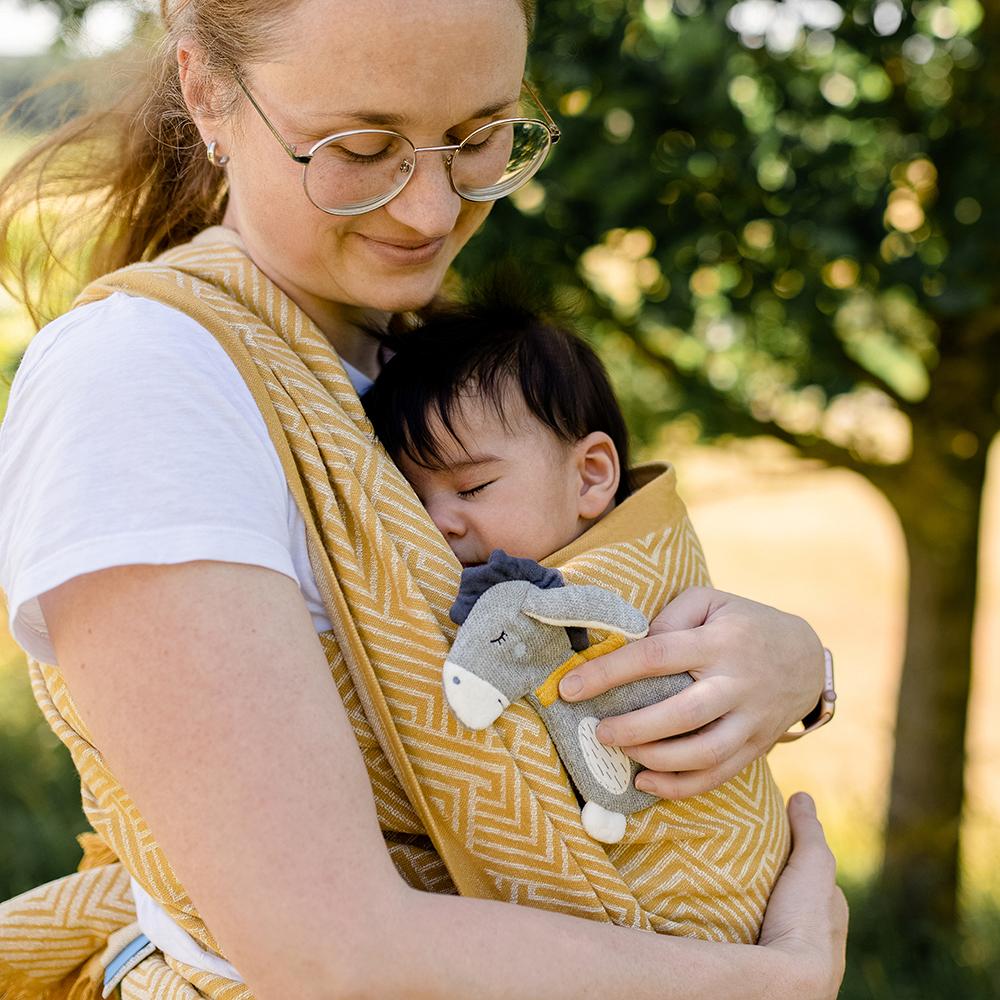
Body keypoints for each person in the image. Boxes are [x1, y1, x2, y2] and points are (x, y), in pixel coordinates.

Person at [0, 1, 846, 998]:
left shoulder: (429, 371)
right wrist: (773, 984)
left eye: (480, 136)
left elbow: (561, 637)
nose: (434, 211)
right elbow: (327, 951)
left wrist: (794, 668)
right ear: (206, 89)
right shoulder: (143, 381)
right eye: (362, 146)